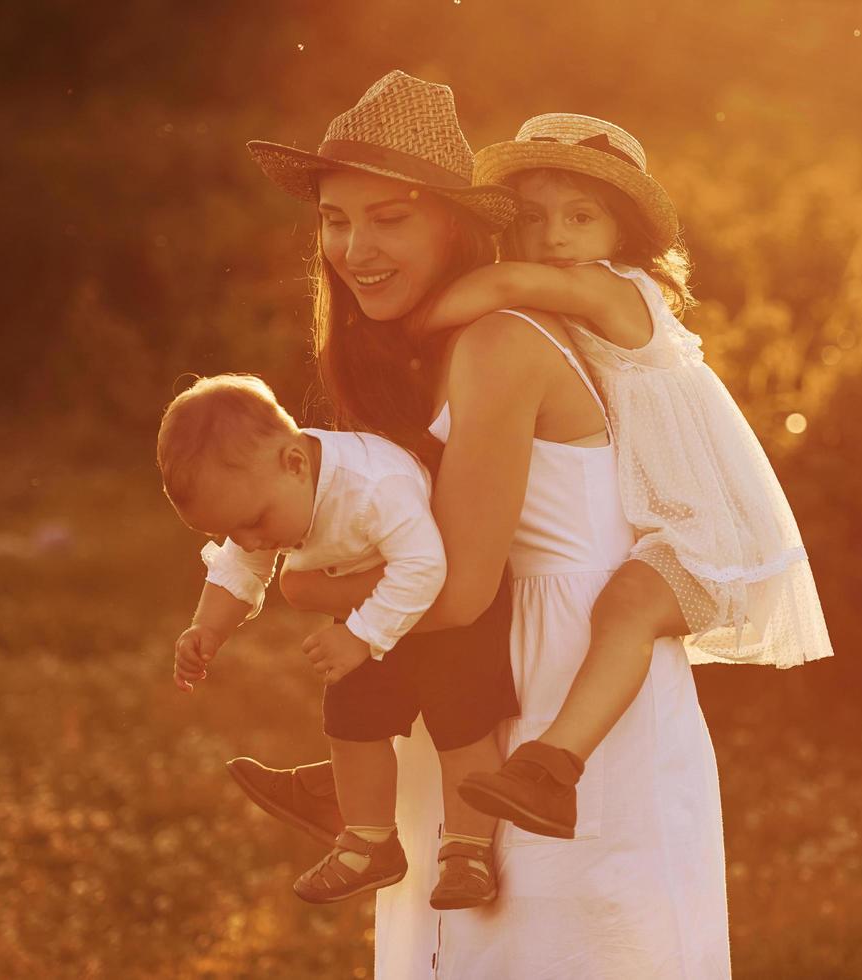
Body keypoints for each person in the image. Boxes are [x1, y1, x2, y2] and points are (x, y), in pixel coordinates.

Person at [245, 70, 732, 976]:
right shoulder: (413, 352)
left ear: (460, 223)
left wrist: (313, 587)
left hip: (560, 694)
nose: (356, 247)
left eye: (390, 217)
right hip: (467, 694)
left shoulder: (500, 343)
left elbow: (460, 586)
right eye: (337, 220)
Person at [415, 113, 834, 839]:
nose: (554, 237)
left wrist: (402, 326)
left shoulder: (620, 290)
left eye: (581, 217)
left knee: (627, 610)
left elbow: (503, 281)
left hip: (712, 535)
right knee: (604, 610)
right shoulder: (562, 301)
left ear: (625, 236)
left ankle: (553, 770)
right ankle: (365, 773)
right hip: (664, 526)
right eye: (534, 218)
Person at [156, 373, 515, 910]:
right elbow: (241, 565)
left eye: (254, 524)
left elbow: (425, 566)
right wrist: (207, 628)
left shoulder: (373, 487)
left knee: (462, 723)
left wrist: (361, 636)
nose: (255, 542)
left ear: (296, 463)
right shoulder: (268, 494)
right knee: (350, 719)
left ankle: (468, 850)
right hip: (367, 607)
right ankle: (370, 841)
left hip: (443, 612)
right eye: (235, 530)